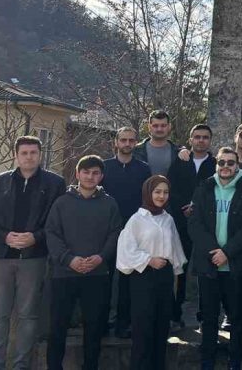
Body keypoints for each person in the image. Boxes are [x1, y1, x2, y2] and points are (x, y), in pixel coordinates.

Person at [0, 135, 66, 370]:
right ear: (16, 155)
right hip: (1, 256)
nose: (29, 157)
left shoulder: (55, 184)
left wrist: (35, 237)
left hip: (34, 258)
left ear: (40, 155)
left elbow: (57, 220)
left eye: (33, 153)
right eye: (24, 153)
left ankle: (21, 365)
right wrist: (5, 236)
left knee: (29, 316)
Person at [45, 155, 123, 370]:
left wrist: (101, 257)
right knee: (58, 327)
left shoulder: (110, 204)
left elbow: (115, 233)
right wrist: (68, 259)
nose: (90, 176)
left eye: (95, 172)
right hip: (64, 273)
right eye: (86, 172)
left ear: (101, 176)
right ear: (78, 174)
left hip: (97, 274)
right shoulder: (62, 202)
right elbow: (52, 233)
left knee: (94, 327)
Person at [188, 147, 242, 370]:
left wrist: (227, 252)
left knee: (237, 319)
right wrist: (214, 252)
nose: (226, 167)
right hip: (209, 266)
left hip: (235, 267)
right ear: (216, 164)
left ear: (237, 165)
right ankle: (207, 363)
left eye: (231, 162)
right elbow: (195, 223)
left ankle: (235, 362)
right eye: (222, 163)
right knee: (209, 320)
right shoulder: (204, 188)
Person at [117, 175, 187, 370]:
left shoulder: (168, 219)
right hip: (143, 277)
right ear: (148, 193)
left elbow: (175, 251)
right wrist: (148, 260)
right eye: (157, 192)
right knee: (143, 330)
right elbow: (125, 252)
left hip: (164, 278)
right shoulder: (136, 220)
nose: (161, 196)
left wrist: (174, 273)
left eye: (165, 192)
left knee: (161, 329)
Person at [102, 125, 152, 338]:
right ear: (116, 142)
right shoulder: (104, 167)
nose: (127, 144)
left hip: (133, 232)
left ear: (136, 142)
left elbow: (147, 200)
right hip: (105, 230)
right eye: (123, 140)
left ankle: (123, 324)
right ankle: (101, 324)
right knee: (103, 279)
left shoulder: (143, 169)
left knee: (126, 279)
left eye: (131, 140)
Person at [167, 123, 217, 329]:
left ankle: (206, 315)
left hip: (208, 224)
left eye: (205, 137)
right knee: (179, 267)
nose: (201, 140)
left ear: (210, 141)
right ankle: (175, 313)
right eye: (197, 137)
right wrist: (182, 207)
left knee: (207, 268)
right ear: (190, 139)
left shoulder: (216, 163)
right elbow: (171, 186)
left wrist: (199, 208)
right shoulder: (180, 161)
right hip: (181, 222)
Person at [133, 109, 179, 178]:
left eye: (163, 125)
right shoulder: (136, 151)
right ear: (149, 127)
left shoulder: (177, 152)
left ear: (169, 126)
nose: (159, 129)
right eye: (155, 126)